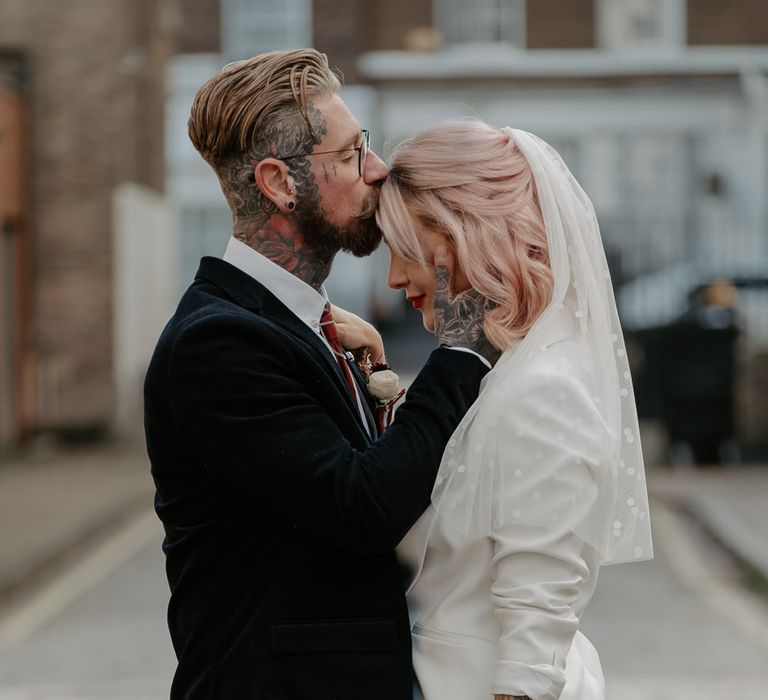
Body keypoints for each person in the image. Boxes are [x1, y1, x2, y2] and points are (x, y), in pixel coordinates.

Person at [143, 51, 495, 700]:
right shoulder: (218, 344)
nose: (378, 169)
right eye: (352, 152)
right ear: (280, 182)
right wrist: (461, 345)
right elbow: (363, 506)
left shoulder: (291, 326)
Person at [376, 121, 654, 700]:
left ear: (466, 236)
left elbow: (535, 635)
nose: (395, 277)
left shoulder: (545, 390)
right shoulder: (506, 374)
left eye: (406, 250)